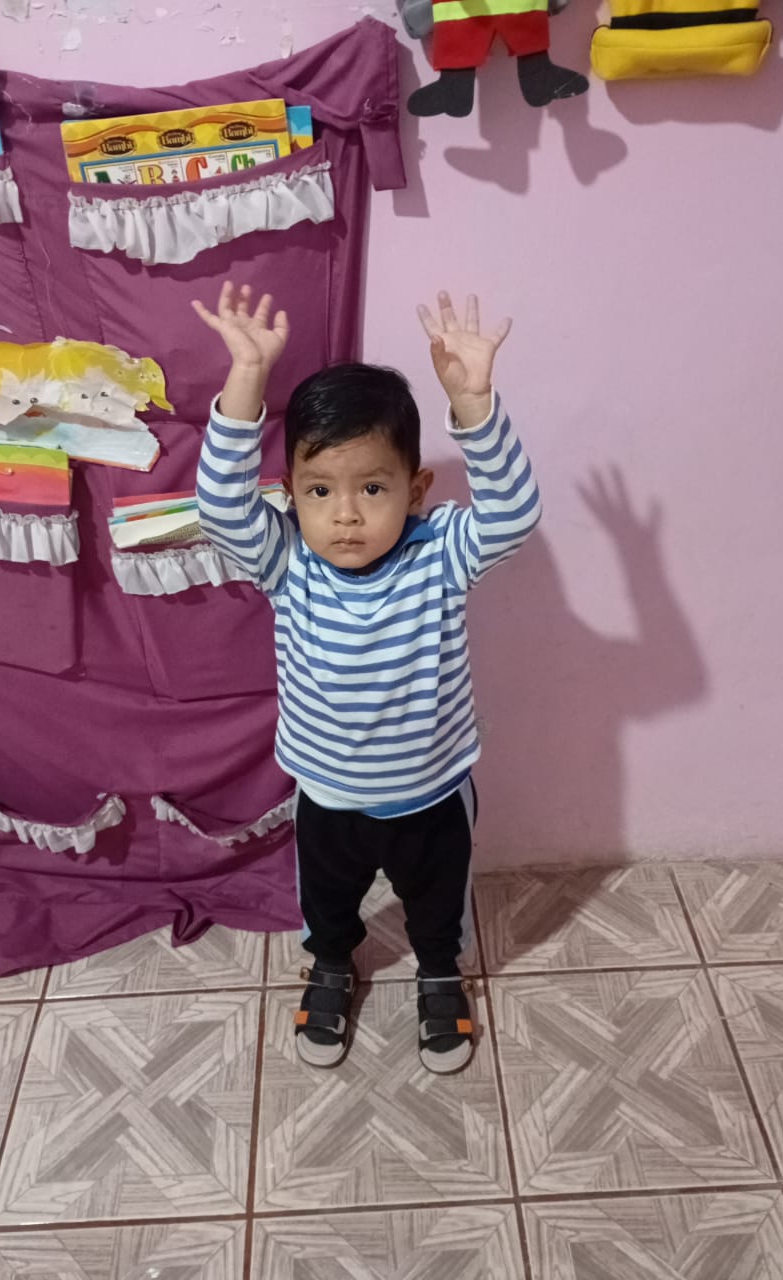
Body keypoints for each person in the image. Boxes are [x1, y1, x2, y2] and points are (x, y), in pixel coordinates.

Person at [193, 282, 542, 1073]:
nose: (345, 515)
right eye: (320, 491)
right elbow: (218, 509)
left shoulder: (439, 552)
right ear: (290, 494)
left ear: (414, 492)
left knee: (437, 907)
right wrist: (245, 379)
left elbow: (512, 515)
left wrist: (474, 407)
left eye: (372, 489)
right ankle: (329, 966)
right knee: (327, 905)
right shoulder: (285, 558)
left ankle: (440, 976)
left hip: (431, 794)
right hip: (326, 795)